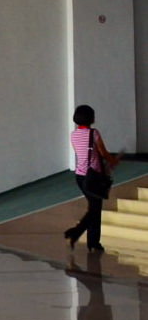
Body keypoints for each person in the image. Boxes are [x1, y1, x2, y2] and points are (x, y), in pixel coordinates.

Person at [66, 105, 119, 253]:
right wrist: (113, 161)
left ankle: (88, 239)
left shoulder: (73, 134)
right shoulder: (94, 133)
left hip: (80, 177)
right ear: (91, 118)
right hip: (94, 177)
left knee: (94, 208)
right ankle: (82, 236)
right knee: (95, 209)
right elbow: (103, 152)